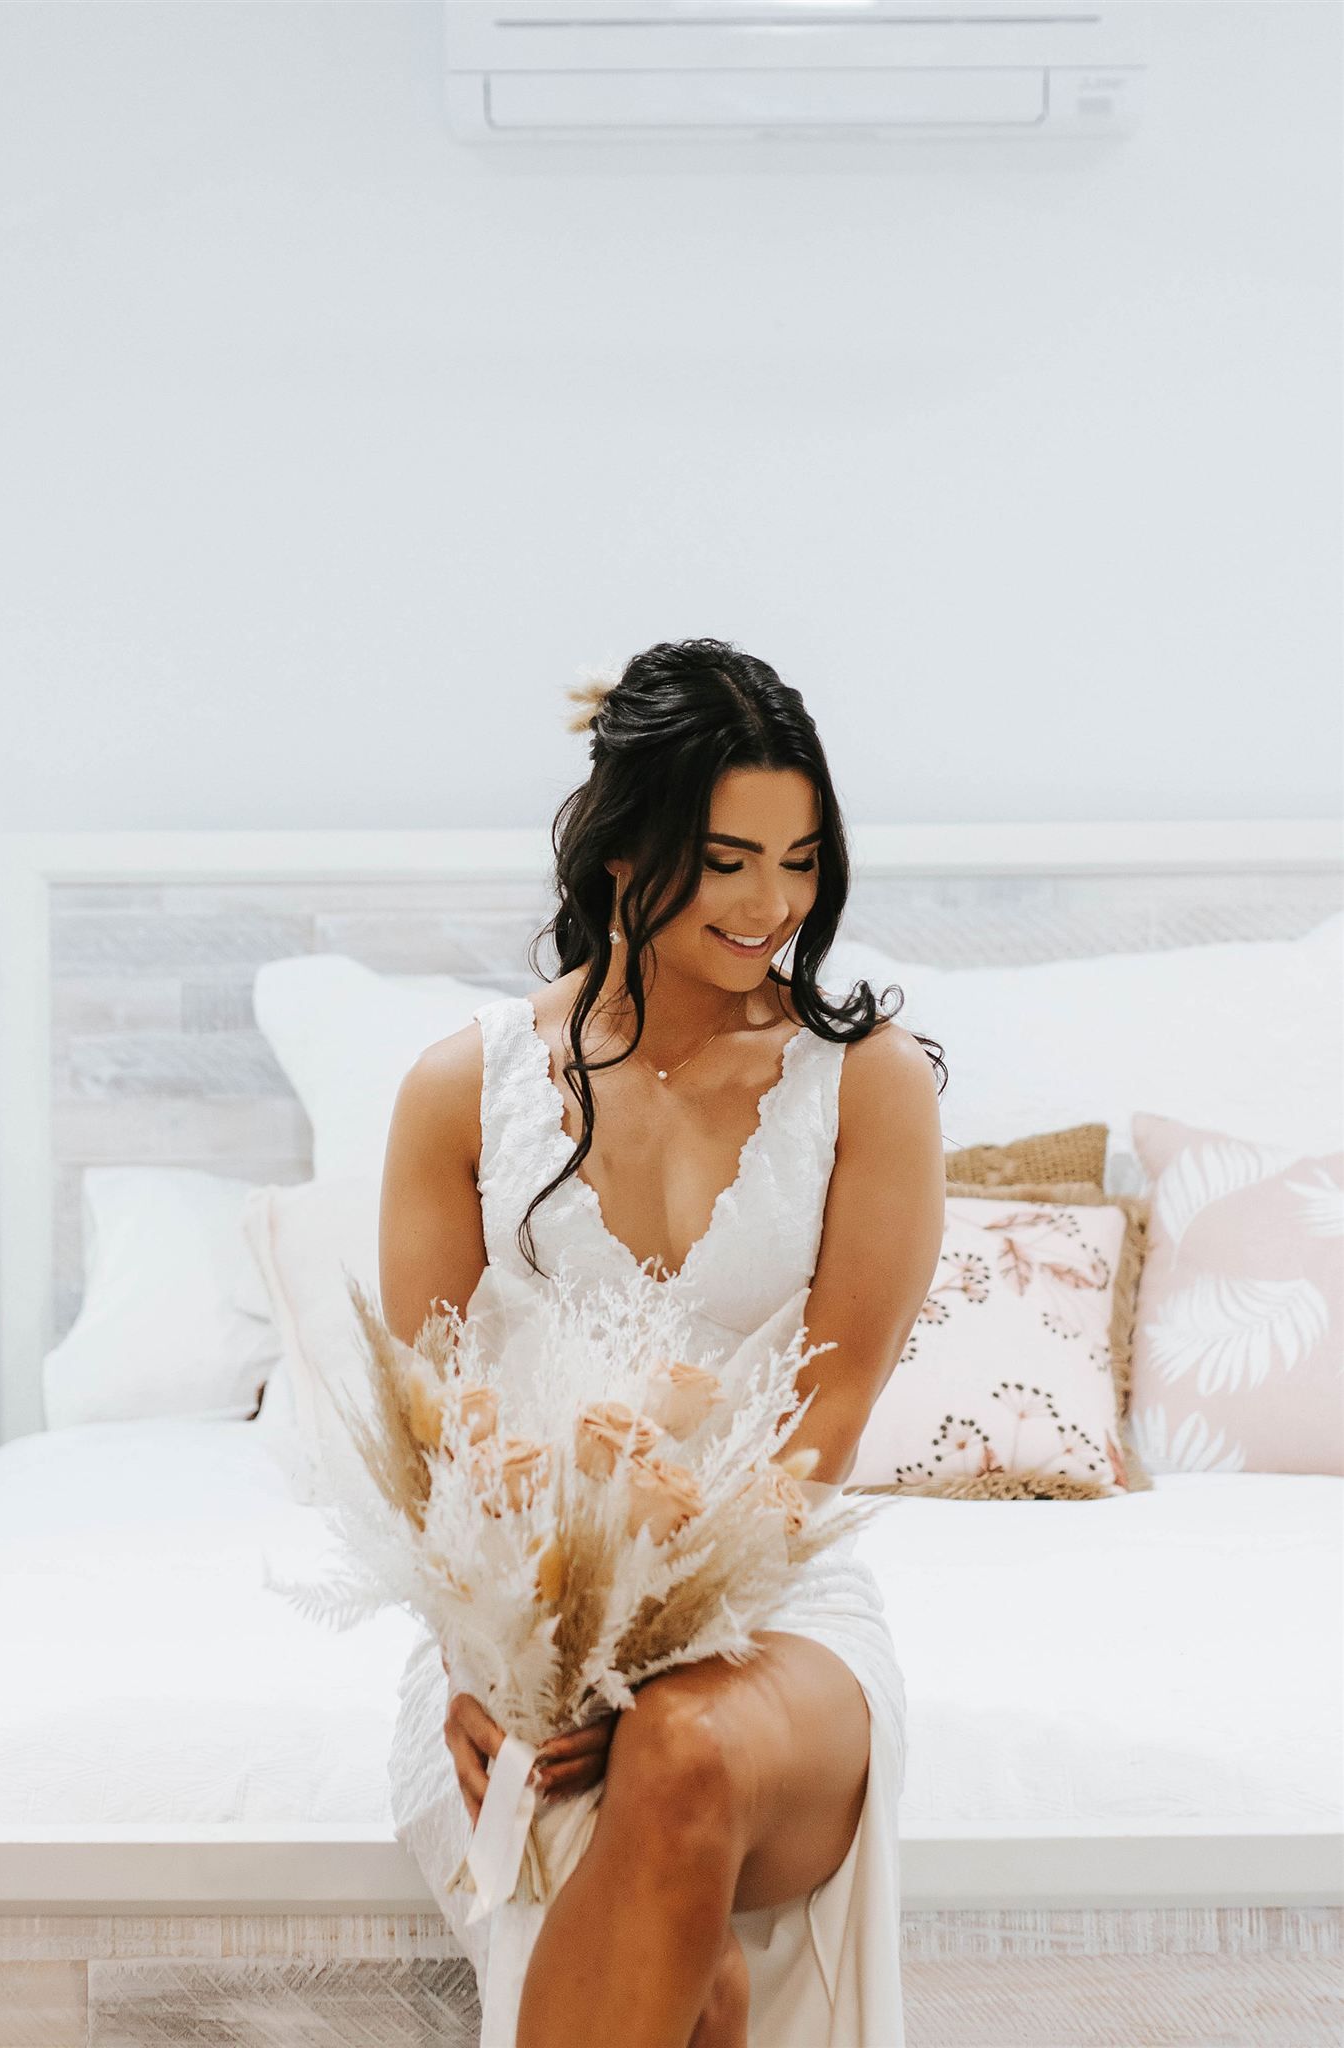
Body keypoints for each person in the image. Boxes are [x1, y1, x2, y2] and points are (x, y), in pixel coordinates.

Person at [379, 637, 947, 2048]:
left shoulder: (865, 1087)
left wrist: (641, 1649)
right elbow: (432, 1434)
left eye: (802, 859)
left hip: (769, 1609)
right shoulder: (460, 1090)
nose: (773, 904)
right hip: (514, 1621)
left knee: (679, 1748)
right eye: (730, 858)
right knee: (641, 1864)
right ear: (623, 851)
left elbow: (828, 1418)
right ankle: (705, 1995)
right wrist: (490, 1661)